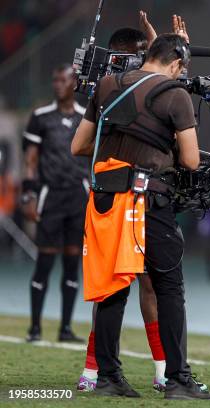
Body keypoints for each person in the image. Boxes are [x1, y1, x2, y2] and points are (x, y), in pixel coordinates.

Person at [72, 33, 210, 400]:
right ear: (178, 65)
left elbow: (79, 145)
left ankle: (106, 377)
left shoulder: (105, 85)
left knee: (111, 287)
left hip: (104, 199)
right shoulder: (175, 94)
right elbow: (192, 160)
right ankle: (178, 380)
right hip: (147, 201)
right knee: (168, 288)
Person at [76, 22, 170, 393]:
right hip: (124, 198)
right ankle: (96, 370)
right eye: (142, 54)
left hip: (130, 196)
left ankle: (157, 370)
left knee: (141, 283)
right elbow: (79, 146)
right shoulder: (110, 91)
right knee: (117, 285)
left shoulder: (123, 90)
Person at [22, 64, 88, 344]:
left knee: (72, 262)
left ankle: (65, 328)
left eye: (62, 80)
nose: (57, 84)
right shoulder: (40, 117)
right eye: (55, 80)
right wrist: (29, 195)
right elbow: (31, 160)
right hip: (51, 196)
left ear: (75, 83)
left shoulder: (88, 117)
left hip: (78, 196)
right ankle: (35, 328)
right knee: (45, 261)